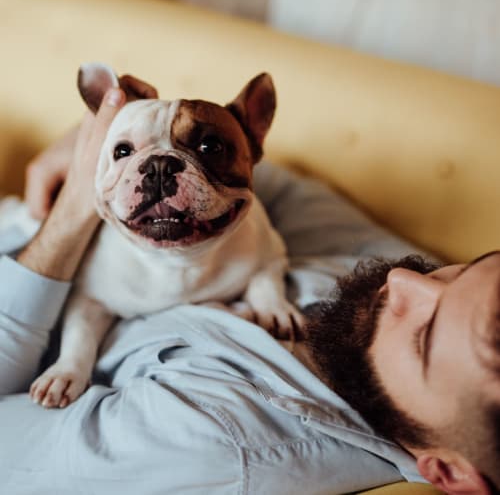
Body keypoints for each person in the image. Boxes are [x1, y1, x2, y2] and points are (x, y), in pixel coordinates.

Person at [0, 84, 498, 495]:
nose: (402, 279)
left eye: (425, 334)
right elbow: (264, 182)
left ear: (448, 471)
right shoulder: (385, 281)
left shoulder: (218, 439)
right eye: (456, 272)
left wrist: (70, 214)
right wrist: (109, 145)